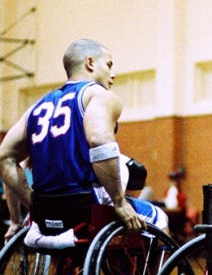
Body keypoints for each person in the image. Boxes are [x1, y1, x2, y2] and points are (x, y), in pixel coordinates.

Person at [0, 39, 167, 246]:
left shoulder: (36, 108)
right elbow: (99, 140)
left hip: (45, 213)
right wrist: (119, 202)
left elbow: (5, 157)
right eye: (108, 65)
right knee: (159, 218)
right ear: (90, 63)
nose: (112, 74)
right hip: (85, 208)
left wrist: (28, 208)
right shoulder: (98, 95)